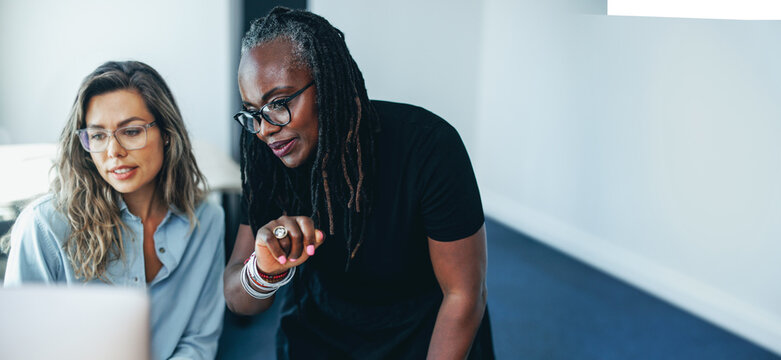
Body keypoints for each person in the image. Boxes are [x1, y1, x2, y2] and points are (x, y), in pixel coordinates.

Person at [225, 7, 494, 359]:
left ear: (326, 82)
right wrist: (262, 272)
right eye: (253, 112)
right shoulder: (267, 159)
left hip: (423, 339)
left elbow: (463, 295)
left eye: (279, 102)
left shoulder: (429, 147)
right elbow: (237, 299)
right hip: (318, 336)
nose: (265, 128)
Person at [2, 61, 225, 360]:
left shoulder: (207, 220)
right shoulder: (43, 226)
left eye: (131, 131)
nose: (113, 152)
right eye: (97, 136)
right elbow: (22, 350)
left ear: (168, 134)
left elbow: (198, 342)